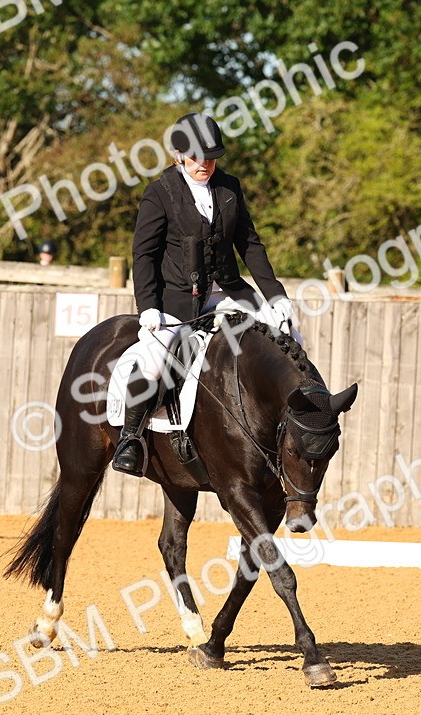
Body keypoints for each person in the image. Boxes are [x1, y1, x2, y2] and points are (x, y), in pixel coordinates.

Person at [112, 111, 298, 476]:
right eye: (197, 157)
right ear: (179, 154)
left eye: (211, 157)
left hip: (228, 292)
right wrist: (148, 306)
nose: (205, 165)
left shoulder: (230, 187)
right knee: (152, 363)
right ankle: (130, 439)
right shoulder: (160, 193)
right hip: (176, 299)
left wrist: (275, 296)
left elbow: (250, 244)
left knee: (289, 339)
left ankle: (292, 430)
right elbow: (144, 255)